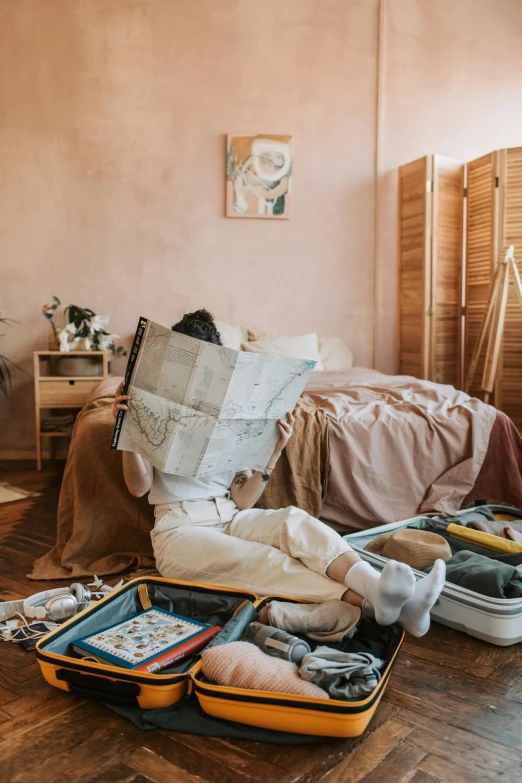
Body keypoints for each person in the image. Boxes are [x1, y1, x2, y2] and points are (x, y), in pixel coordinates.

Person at [113, 309, 446, 637]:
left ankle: (382, 590)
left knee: (293, 521)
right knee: (264, 560)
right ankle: (382, 607)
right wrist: (126, 431)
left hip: (230, 516)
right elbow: (138, 488)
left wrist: (274, 450)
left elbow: (243, 500)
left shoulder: (232, 406)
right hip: (180, 531)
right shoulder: (151, 402)